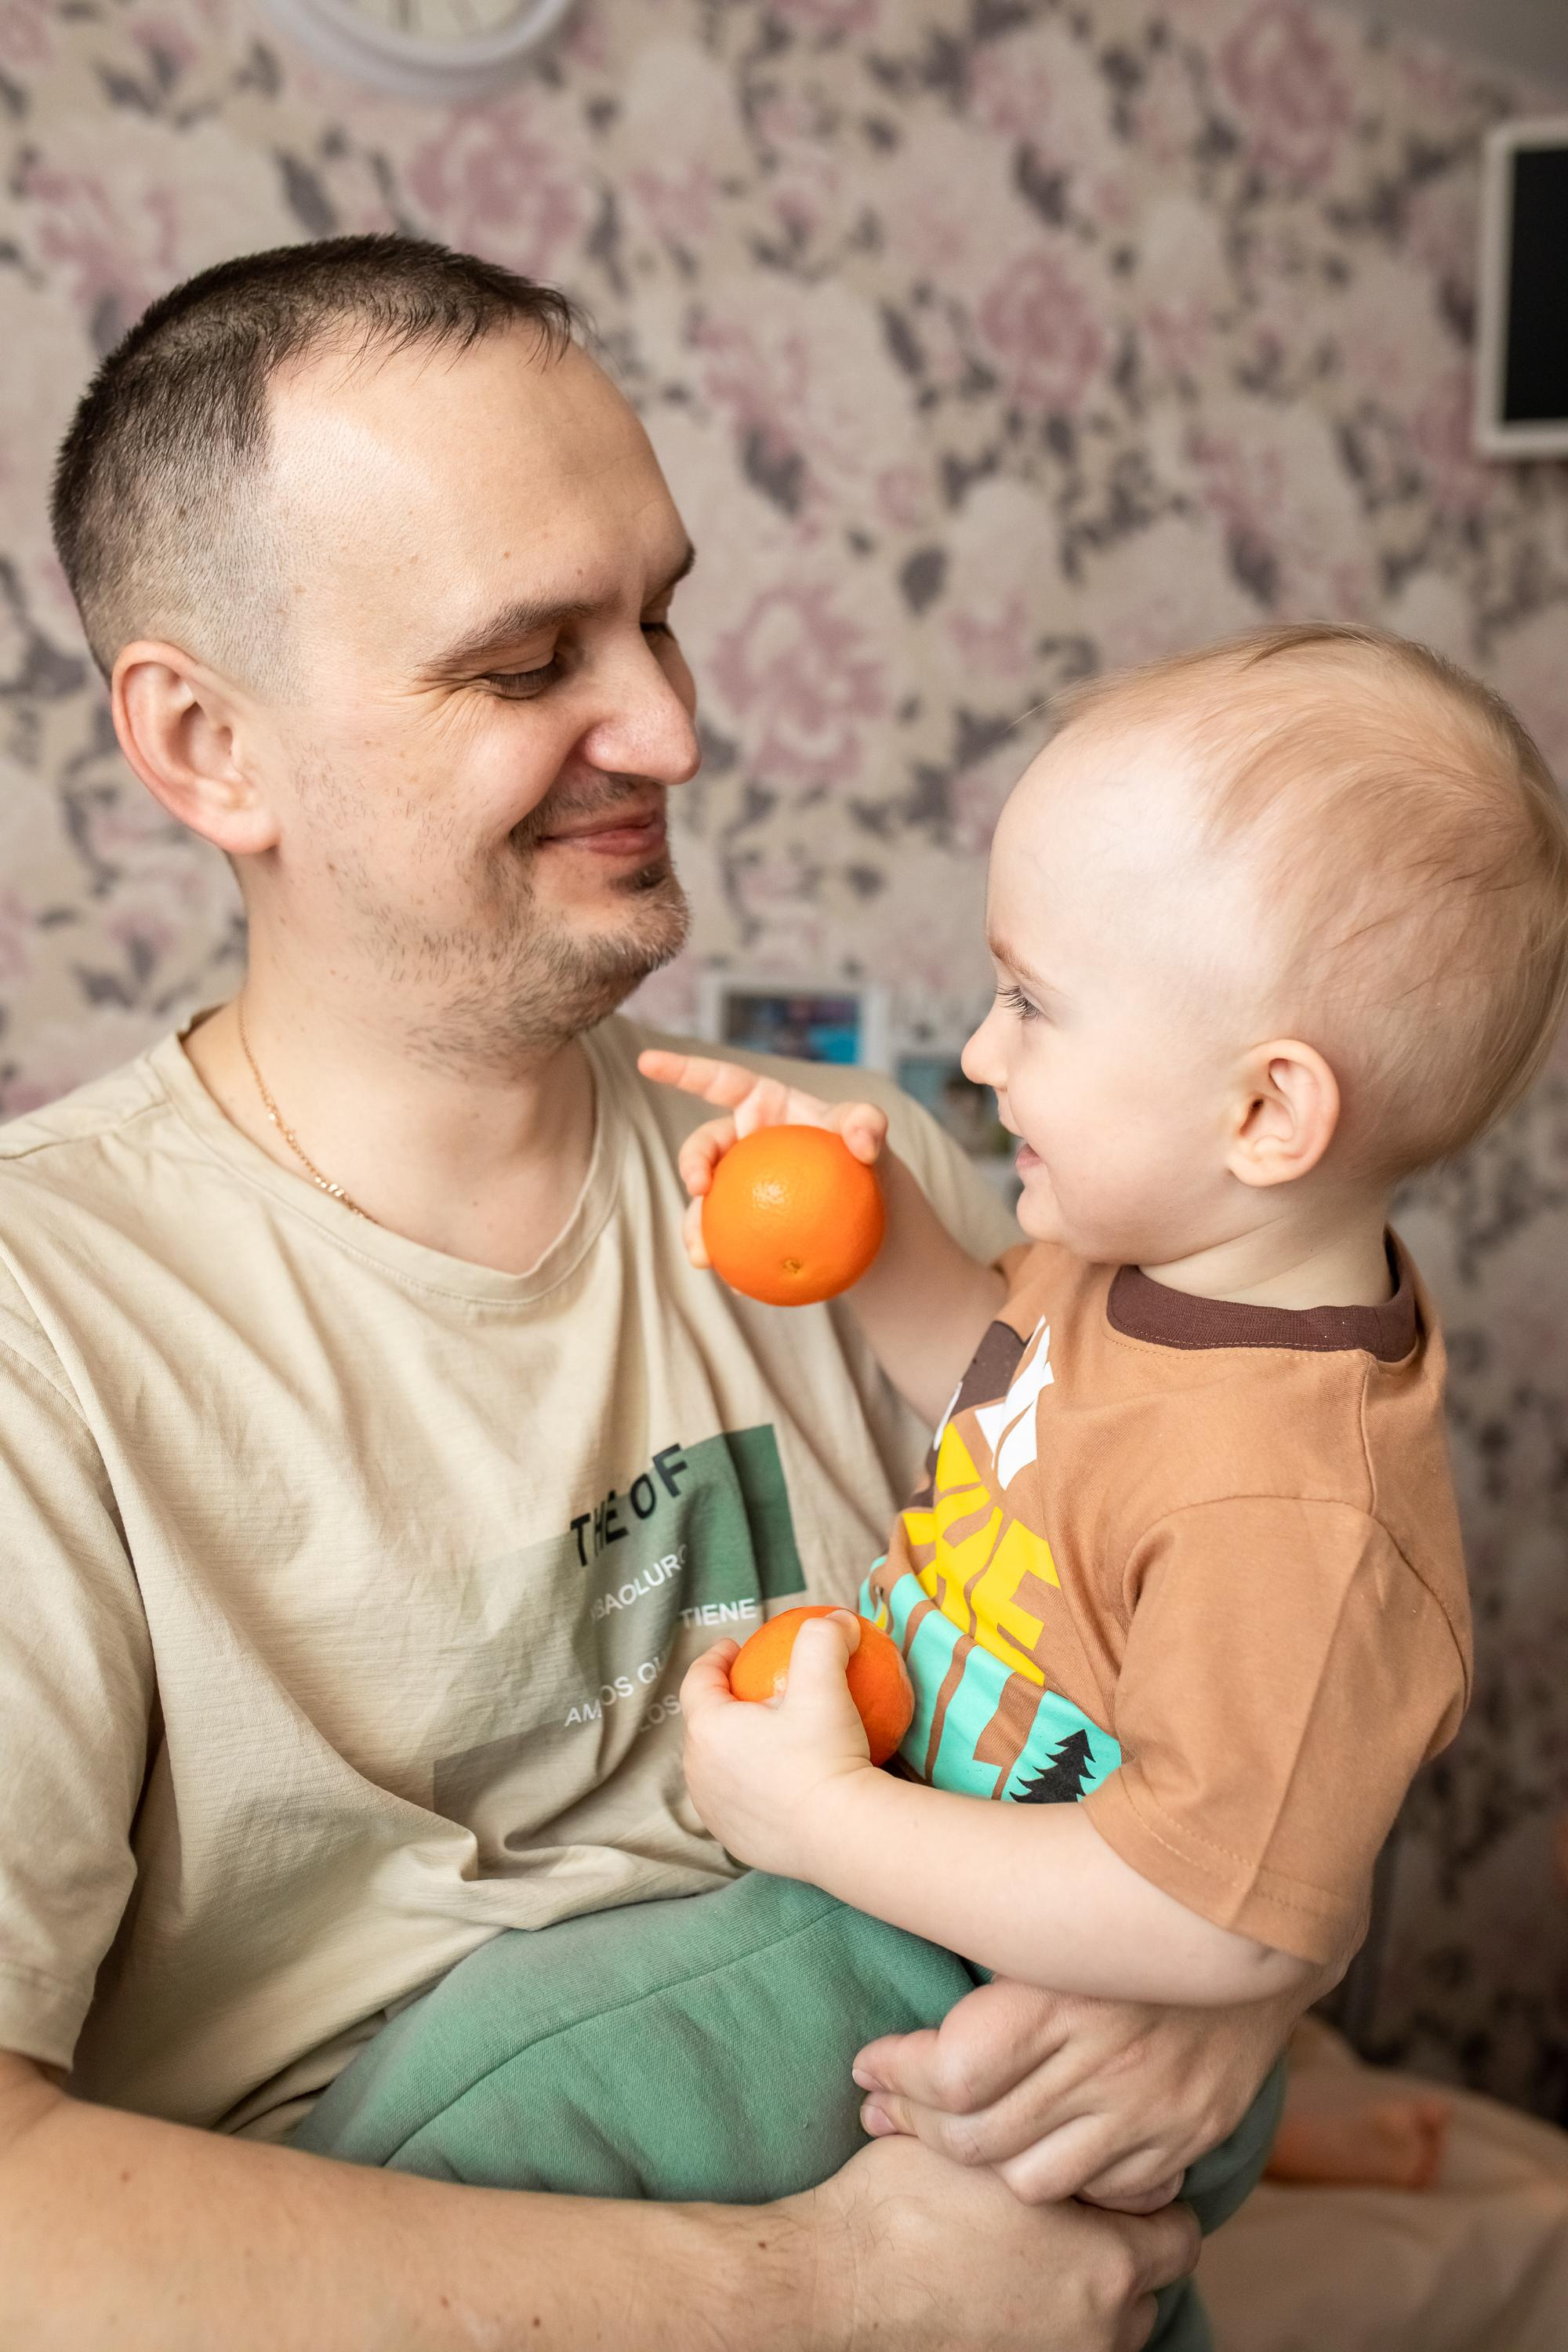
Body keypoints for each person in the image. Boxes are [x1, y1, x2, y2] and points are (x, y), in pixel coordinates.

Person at [0, 232, 1313, 2349]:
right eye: (530, 663)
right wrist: (821, 2294)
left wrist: (1238, 1994)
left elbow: (1253, 1645)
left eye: (662, 616)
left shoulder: (875, 1186)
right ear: (204, 745)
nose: (675, 729)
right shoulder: (42, 1333)